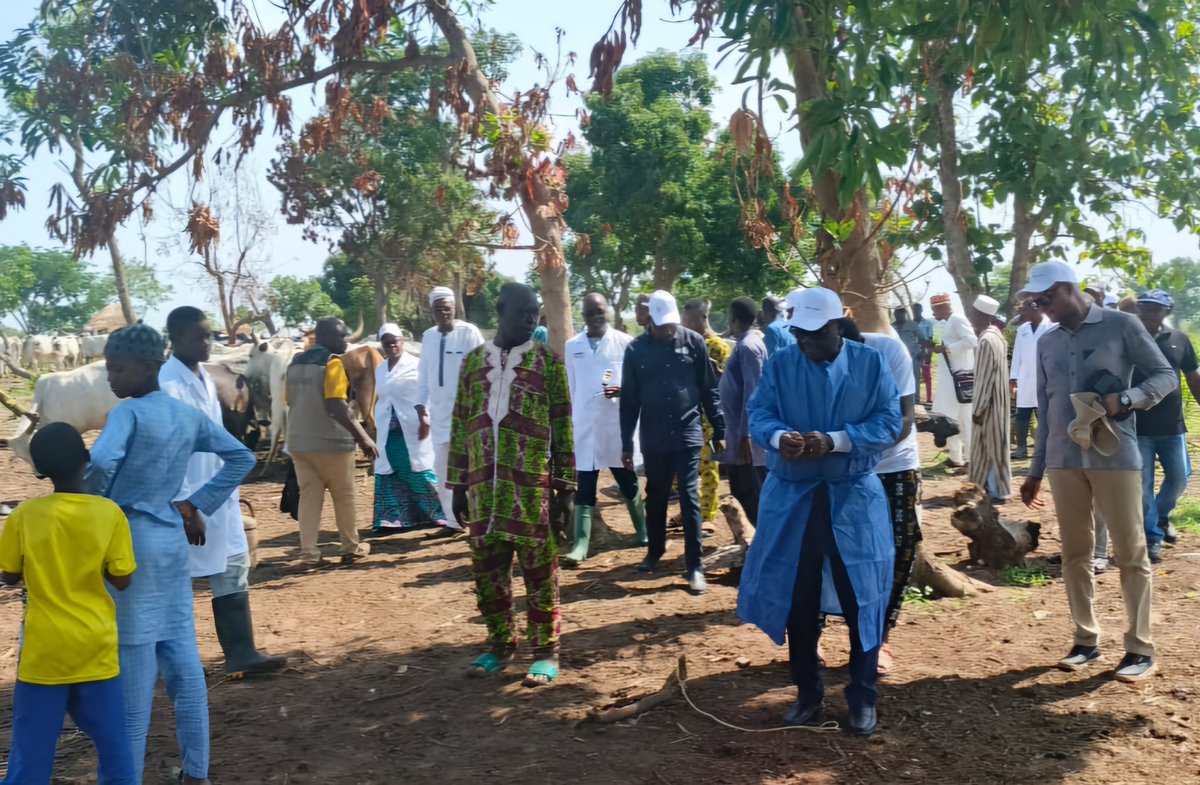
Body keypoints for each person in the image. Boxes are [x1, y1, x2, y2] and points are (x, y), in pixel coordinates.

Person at [88, 324, 256, 785]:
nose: (111, 378)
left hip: (127, 542)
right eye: (108, 368)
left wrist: (91, 505)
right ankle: (196, 770)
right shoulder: (184, 415)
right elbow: (242, 458)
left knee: (135, 667)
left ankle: (123, 778)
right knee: (182, 657)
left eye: (118, 368)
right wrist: (196, 504)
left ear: (150, 368)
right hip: (169, 541)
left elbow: (101, 464)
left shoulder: (128, 415)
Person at [740, 287, 901, 737]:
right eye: (799, 333)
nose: (806, 341)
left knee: (861, 599)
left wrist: (837, 440)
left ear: (837, 325)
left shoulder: (870, 364)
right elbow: (761, 414)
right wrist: (778, 439)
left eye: (815, 333)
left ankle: (862, 696)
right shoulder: (781, 364)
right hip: (794, 499)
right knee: (798, 597)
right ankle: (807, 693)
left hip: (852, 498)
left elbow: (889, 421)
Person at [1018, 261, 1175, 682]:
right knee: (1075, 552)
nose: (1042, 307)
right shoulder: (1046, 341)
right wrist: (1035, 468)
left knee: (1130, 552)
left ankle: (1140, 647)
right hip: (1063, 458)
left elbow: (1164, 376)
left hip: (1114, 454)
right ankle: (1085, 639)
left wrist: (1126, 399)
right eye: (1036, 301)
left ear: (1069, 288)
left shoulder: (1121, 325)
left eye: (1046, 298)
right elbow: (1047, 405)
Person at [448, 283, 574, 688]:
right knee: (487, 571)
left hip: (531, 492)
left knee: (540, 572)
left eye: (535, 315)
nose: (531, 321)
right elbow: (459, 423)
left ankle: (545, 650)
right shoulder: (471, 364)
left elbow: (562, 425)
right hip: (482, 489)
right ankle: (500, 644)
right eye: (523, 314)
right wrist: (456, 483)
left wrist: (565, 487)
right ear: (501, 311)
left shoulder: (547, 364)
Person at [0, 423, 137, 785]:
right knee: (114, 748)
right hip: (96, 649)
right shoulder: (109, 514)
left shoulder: (23, 517)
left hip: (44, 655)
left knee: (31, 752)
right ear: (87, 459)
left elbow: (10, 575)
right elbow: (123, 580)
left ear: (37, 470)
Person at [160, 307, 285, 676]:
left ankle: (241, 652)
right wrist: (186, 507)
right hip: (189, 497)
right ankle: (166, 663)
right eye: (199, 336)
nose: (207, 342)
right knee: (176, 580)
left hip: (218, 492)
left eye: (209, 335)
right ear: (176, 339)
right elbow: (169, 454)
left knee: (233, 565)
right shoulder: (168, 385)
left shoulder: (201, 378)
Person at [620, 290, 725, 596]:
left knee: (690, 496)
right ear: (649, 319)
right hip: (653, 435)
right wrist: (626, 444)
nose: (669, 329)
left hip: (688, 432)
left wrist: (719, 428)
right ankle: (655, 550)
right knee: (657, 494)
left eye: (672, 323)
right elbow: (629, 401)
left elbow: (709, 389)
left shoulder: (693, 342)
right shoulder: (635, 350)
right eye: (662, 323)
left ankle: (694, 566)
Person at [840, 321, 921, 675]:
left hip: (893, 464)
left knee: (900, 546)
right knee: (829, 549)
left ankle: (881, 638)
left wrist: (854, 446)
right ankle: (810, 637)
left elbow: (905, 418)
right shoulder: (807, 358)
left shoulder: (889, 350)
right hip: (836, 466)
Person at [562, 293, 645, 566]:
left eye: (600, 311)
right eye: (589, 313)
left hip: (616, 425)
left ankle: (643, 532)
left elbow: (637, 385)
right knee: (585, 485)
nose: (596, 317)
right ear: (583, 316)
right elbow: (571, 388)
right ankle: (580, 545)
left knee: (627, 480)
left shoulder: (625, 342)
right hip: (587, 426)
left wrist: (623, 391)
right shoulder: (572, 346)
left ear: (607, 311)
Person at [286, 317, 375, 564]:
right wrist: (364, 438)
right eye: (340, 336)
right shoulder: (332, 363)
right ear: (323, 337)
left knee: (309, 498)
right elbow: (337, 406)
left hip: (299, 442)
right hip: (331, 443)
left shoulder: (294, 363)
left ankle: (309, 554)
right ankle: (350, 548)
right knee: (344, 495)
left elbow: (289, 399)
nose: (345, 341)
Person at [1130, 290, 1200, 562]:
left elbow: (1193, 378)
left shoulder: (1179, 340)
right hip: (1139, 427)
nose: (1149, 312)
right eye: (1145, 307)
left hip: (1173, 426)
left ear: (1166, 311)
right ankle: (1151, 539)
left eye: (1155, 308)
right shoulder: (1130, 339)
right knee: (1143, 485)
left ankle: (1160, 515)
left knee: (1180, 477)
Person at [416, 286, 485, 531]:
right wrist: (420, 409)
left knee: (474, 470)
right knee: (443, 470)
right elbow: (423, 376)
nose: (443, 313)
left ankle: (479, 520)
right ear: (432, 311)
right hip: (440, 417)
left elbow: (483, 371)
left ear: (455, 308)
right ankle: (454, 522)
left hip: (468, 417)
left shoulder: (469, 333)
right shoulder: (429, 336)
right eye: (438, 310)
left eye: (447, 309)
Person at [372, 324, 447, 531]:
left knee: (418, 469)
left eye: (395, 340)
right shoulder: (380, 369)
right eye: (387, 342)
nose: (392, 344)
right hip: (389, 429)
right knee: (391, 471)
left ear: (402, 341)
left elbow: (429, 392)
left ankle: (442, 513)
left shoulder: (416, 365)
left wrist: (426, 417)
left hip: (414, 426)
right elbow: (382, 398)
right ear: (382, 345)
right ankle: (393, 518)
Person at [717, 297, 769, 525]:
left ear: (733, 318)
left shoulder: (749, 347)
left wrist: (747, 435)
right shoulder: (743, 343)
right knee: (740, 489)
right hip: (737, 432)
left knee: (752, 494)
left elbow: (754, 391)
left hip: (747, 440)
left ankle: (768, 545)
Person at [682, 297, 732, 528]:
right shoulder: (690, 343)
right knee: (688, 469)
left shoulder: (717, 347)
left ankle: (707, 517)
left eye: (690, 320)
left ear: (702, 319)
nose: (687, 324)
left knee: (710, 467)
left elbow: (724, 383)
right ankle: (690, 511)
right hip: (691, 416)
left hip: (711, 419)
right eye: (685, 320)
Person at [967, 295, 1012, 502]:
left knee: (989, 448)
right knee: (995, 447)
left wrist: (978, 410)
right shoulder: (998, 338)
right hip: (1000, 402)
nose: (972, 318)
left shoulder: (986, 340)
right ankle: (991, 488)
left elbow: (984, 379)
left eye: (974, 314)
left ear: (981, 315)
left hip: (989, 405)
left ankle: (996, 491)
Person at [929, 293, 977, 466]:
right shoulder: (950, 322)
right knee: (949, 419)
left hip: (960, 381)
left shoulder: (957, 319)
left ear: (943, 307)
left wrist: (947, 348)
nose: (934, 314)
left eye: (935, 310)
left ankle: (972, 459)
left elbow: (972, 340)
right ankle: (956, 458)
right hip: (950, 382)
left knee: (964, 421)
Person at [1009, 298, 1053, 459]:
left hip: (1045, 377)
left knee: (1044, 415)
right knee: (1022, 414)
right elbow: (1017, 354)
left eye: (1025, 310)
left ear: (1036, 309)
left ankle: (1044, 449)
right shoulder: (1023, 329)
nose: (1022, 314)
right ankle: (1021, 448)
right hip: (1024, 378)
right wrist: (1013, 377)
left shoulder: (1051, 326)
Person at [892, 306, 924, 397]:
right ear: (895, 314)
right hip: (898, 357)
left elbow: (922, 339)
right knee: (899, 377)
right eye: (899, 313)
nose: (901, 315)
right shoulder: (892, 327)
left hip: (914, 355)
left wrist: (922, 353)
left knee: (914, 378)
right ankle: (900, 398)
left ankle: (916, 399)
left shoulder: (912, 325)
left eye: (903, 313)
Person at [912, 303, 935, 403]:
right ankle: (916, 399)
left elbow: (930, 340)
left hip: (925, 353)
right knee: (914, 376)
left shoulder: (928, 323)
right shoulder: (910, 324)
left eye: (918, 309)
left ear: (921, 310)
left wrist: (929, 355)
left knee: (927, 377)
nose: (916, 312)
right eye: (914, 310)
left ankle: (929, 399)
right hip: (913, 354)